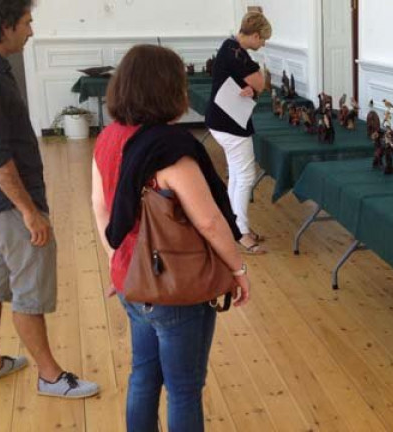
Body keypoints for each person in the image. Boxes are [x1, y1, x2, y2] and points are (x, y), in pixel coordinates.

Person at [91, 44, 251, 431]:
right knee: (183, 389)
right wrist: (239, 268)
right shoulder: (170, 152)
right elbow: (210, 221)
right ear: (169, 90)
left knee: (143, 377)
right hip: (174, 286)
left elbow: (101, 208)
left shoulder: (109, 137)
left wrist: (118, 259)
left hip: (132, 280)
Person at [0, 0, 99, 398]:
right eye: (27, 23)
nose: (32, 31)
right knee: (29, 284)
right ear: (5, 26)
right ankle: (50, 376)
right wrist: (29, 212)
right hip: (6, 203)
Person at [205, 11, 272, 254]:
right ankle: (241, 233)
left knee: (236, 174)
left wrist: (252, 91)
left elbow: (252, 87)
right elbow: (261, 82)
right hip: (230, 123)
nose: (263, 44)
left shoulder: (228, 46)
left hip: (221, 119)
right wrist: (256, 89)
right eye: (262, 39)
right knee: (245, 177)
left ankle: (232, 226)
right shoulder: (238, 53)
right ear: (254, 35)